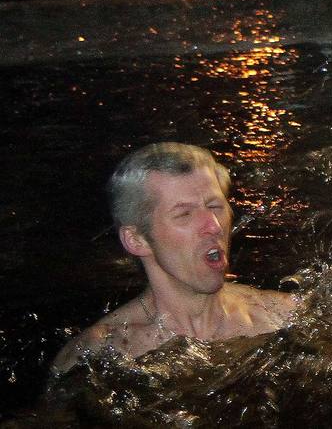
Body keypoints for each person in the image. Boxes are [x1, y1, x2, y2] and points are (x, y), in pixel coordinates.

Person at [51, 143, 297, 373]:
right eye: (184, 214)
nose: (214, 226)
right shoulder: (97, 356)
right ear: (137, 240)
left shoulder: (284, 316)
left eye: (215, 206)